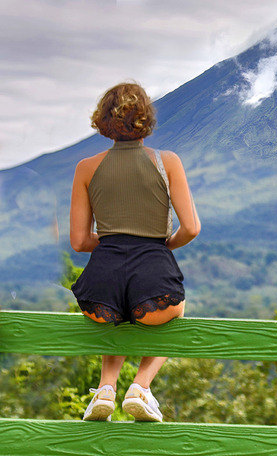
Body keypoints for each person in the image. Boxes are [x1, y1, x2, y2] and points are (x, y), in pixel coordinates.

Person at [69, 81, 201, 422]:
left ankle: (105, 388)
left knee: (117, 316)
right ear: (145, 119)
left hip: (100, 284)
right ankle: (141, 387)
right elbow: (191, 228)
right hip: (153, 273)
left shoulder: (86, 168)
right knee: (174, 308)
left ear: (104, 120)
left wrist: (114, 241)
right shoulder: (167, 162)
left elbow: (80, 242)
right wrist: (160, 245)